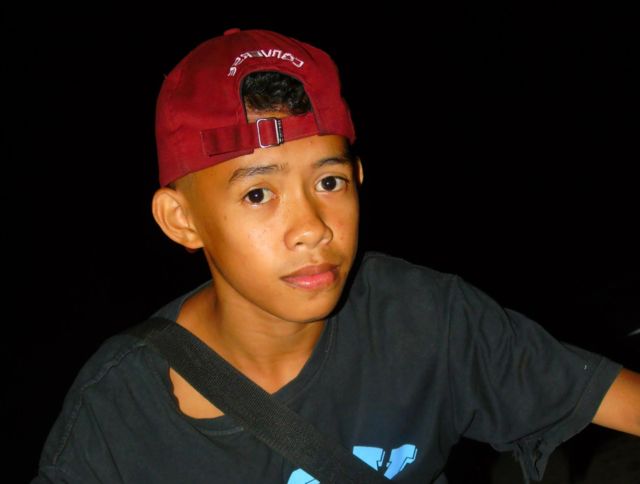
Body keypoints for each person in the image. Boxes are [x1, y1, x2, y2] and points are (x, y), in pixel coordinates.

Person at [33, 28, 639, 483]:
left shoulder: (424, 317)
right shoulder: (119, 413)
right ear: (182, 219)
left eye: (329, 182)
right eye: (258, 194)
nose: (312, 229)